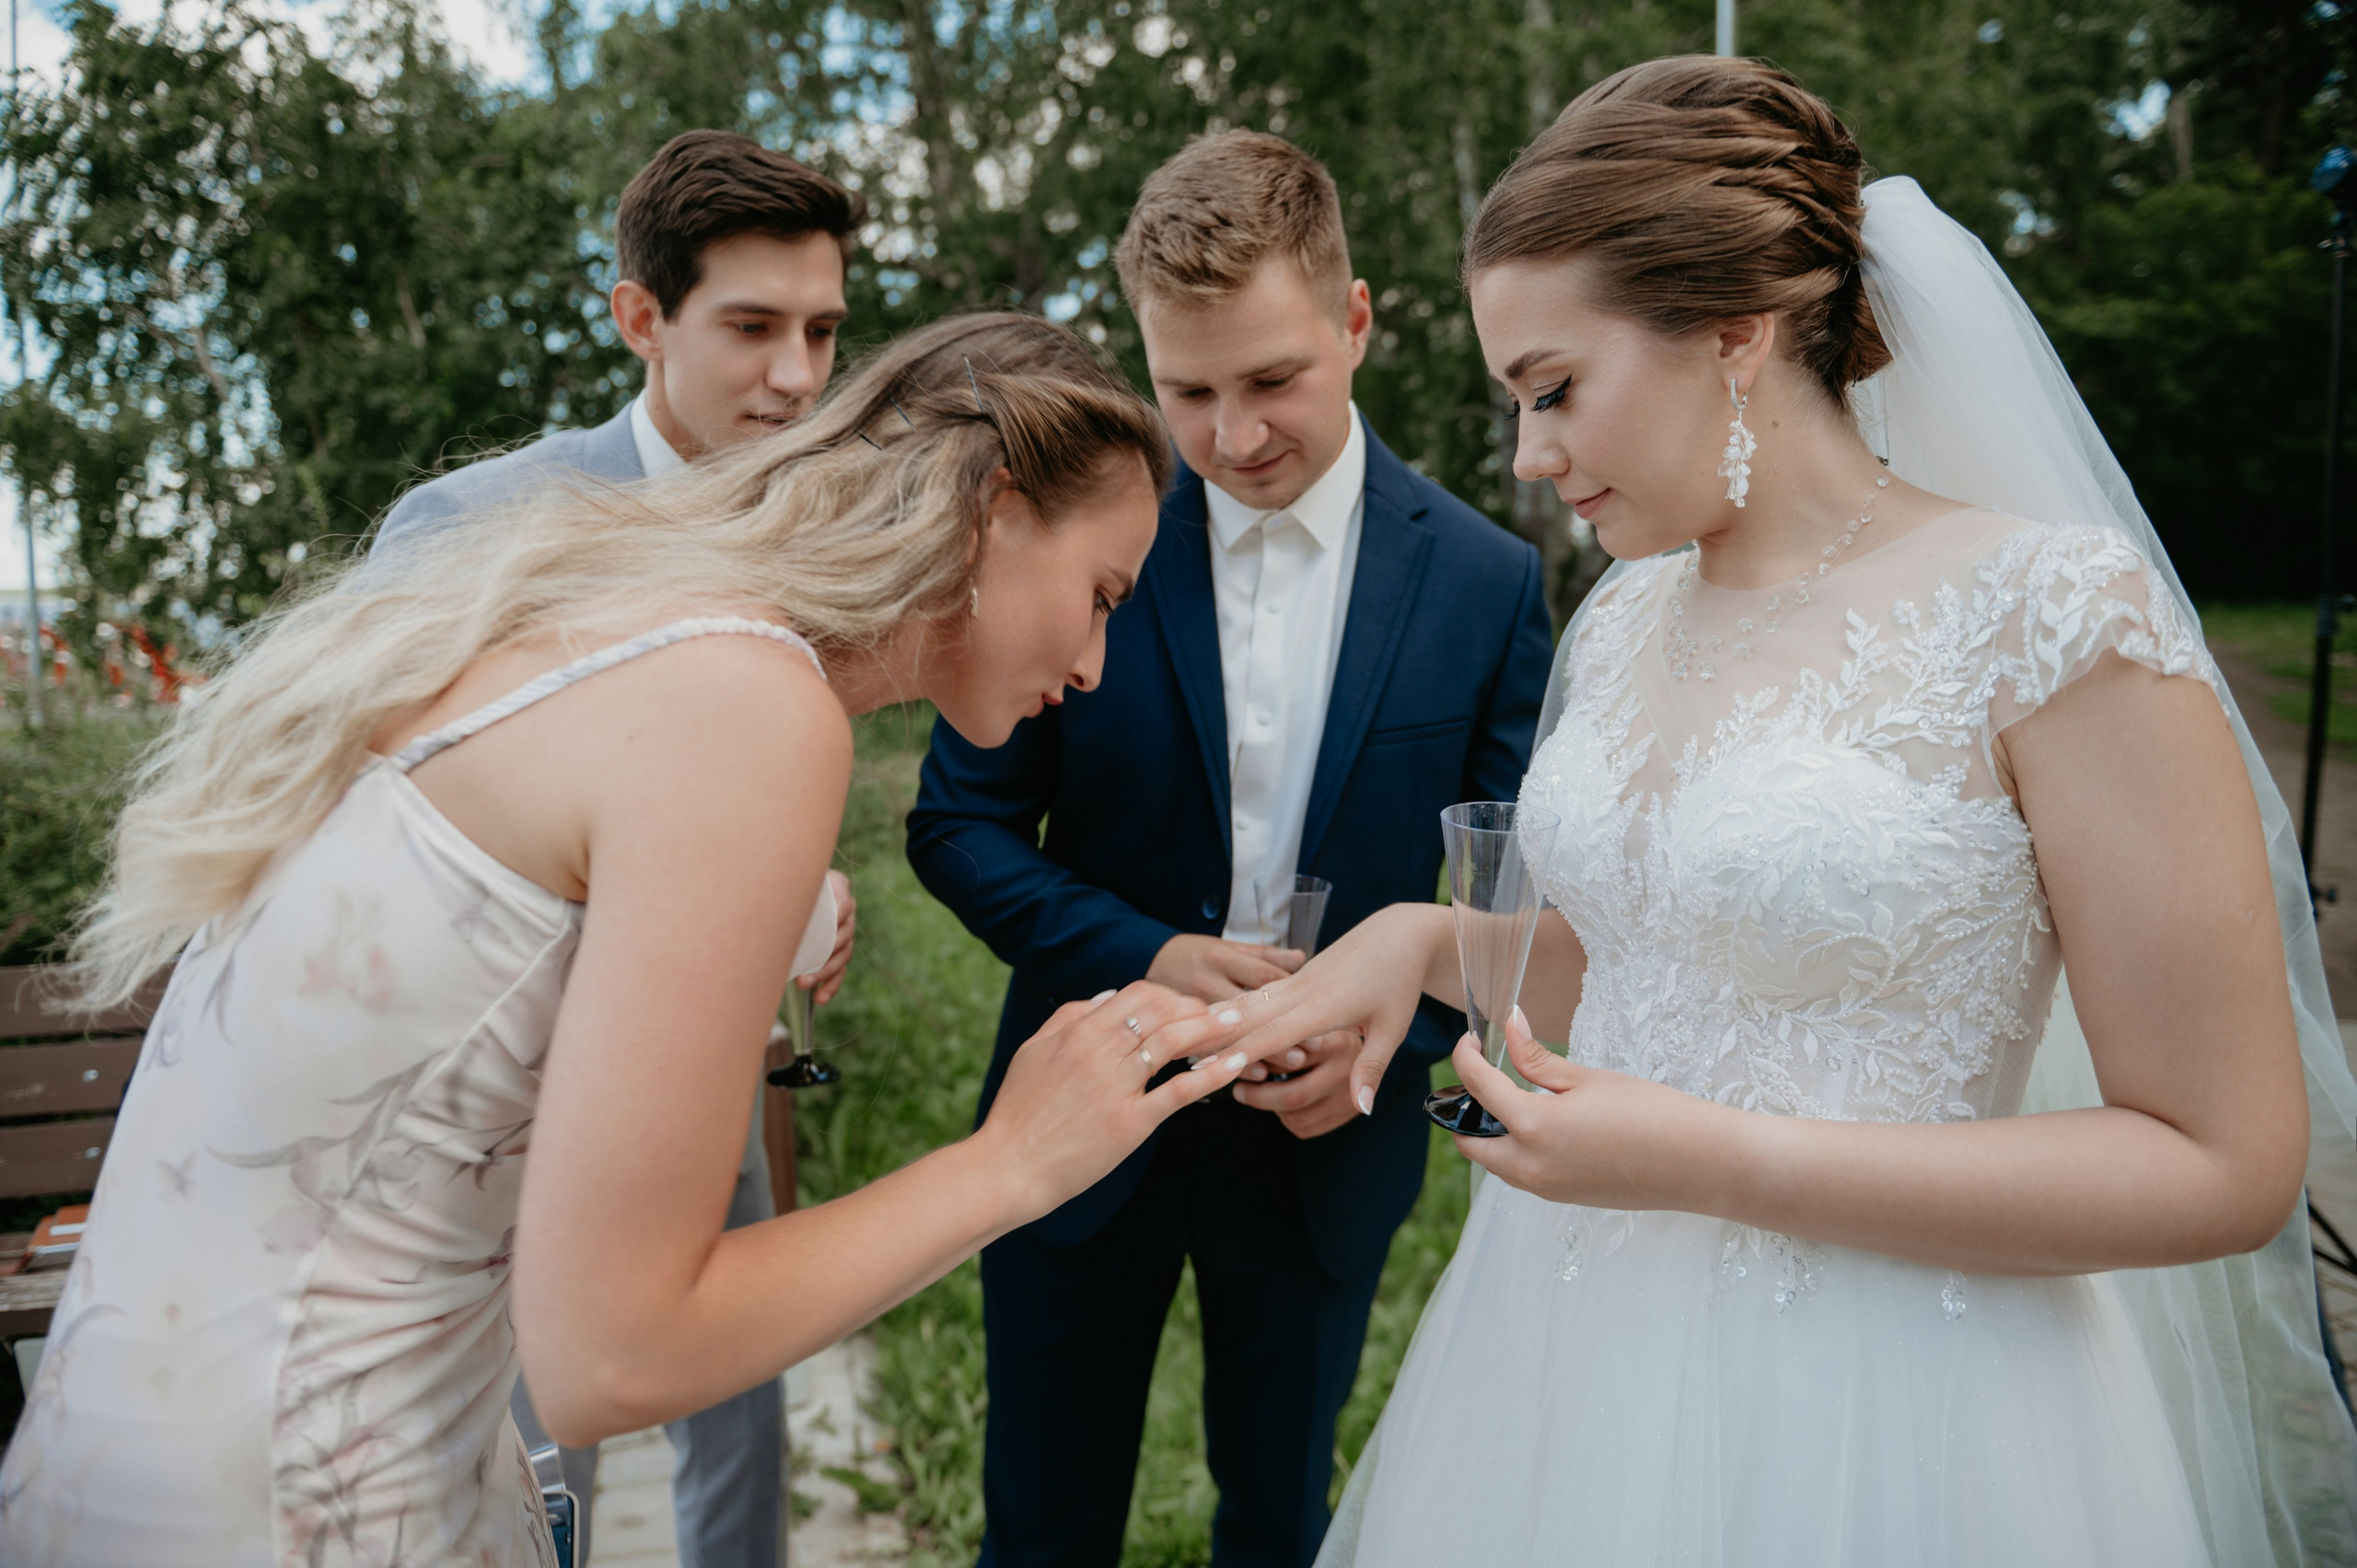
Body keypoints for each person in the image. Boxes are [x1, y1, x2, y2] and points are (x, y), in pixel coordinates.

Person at [1213, 57, 2357, 1567]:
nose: (1528, 457)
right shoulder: (1624, 621)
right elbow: (1670, 963)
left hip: (1912, 1408)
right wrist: (1428, 940)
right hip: (1570, 1367)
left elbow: (2224, 1160)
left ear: (1737, 332)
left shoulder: (2054, 615)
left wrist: (1714, 1162)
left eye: (1555, 390)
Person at [0, 314, 1266, 1568]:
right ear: (991, 509)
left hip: (122, 1459)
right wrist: (1012, 1163)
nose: (1098, 663)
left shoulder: (623, 623)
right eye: (1101, 595)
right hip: (299, 1509)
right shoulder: (750, 708)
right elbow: (617, 1354)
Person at [905, 132, 1554, 1567]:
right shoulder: (1077, 543)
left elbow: (1513, 896)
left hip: (1328, 1140)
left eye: (1273, 381)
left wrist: (1394, 1030)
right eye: (1186, 392)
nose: (1234, 435)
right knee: (1044, 1516)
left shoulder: (1487, 582)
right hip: (1084, 1096)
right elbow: (955, 822)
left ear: (1357, 321)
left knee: (1280, 1513)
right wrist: (1150, 953)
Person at [373, 127, 865, 1567]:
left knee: (744, 1432)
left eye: (823, 330)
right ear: (640, 319)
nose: (795, 376)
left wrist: (801, 882)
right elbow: (398, 843)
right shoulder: (469, 527)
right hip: (507, 1107)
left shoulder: (812, 533)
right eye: (753, 328)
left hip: (716, 1076)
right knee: (548, 1448)